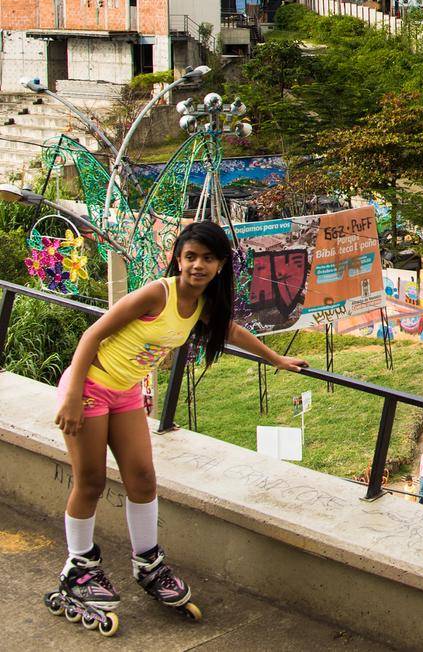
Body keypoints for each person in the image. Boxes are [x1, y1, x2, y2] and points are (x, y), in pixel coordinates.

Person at [53, 221, 308, 613]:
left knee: (143, 478)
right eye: (190, 256)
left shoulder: (205, 305)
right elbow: (93, 335)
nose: (197, 265)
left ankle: (149, 564)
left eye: (207, 258)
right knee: (91, 480)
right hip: (89, 387)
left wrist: (275, 358)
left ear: (221, 264)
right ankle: (79, 568)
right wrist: (71, 395)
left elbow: (231, 332)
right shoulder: (157, 294)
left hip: (125, 392)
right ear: (177, 258)